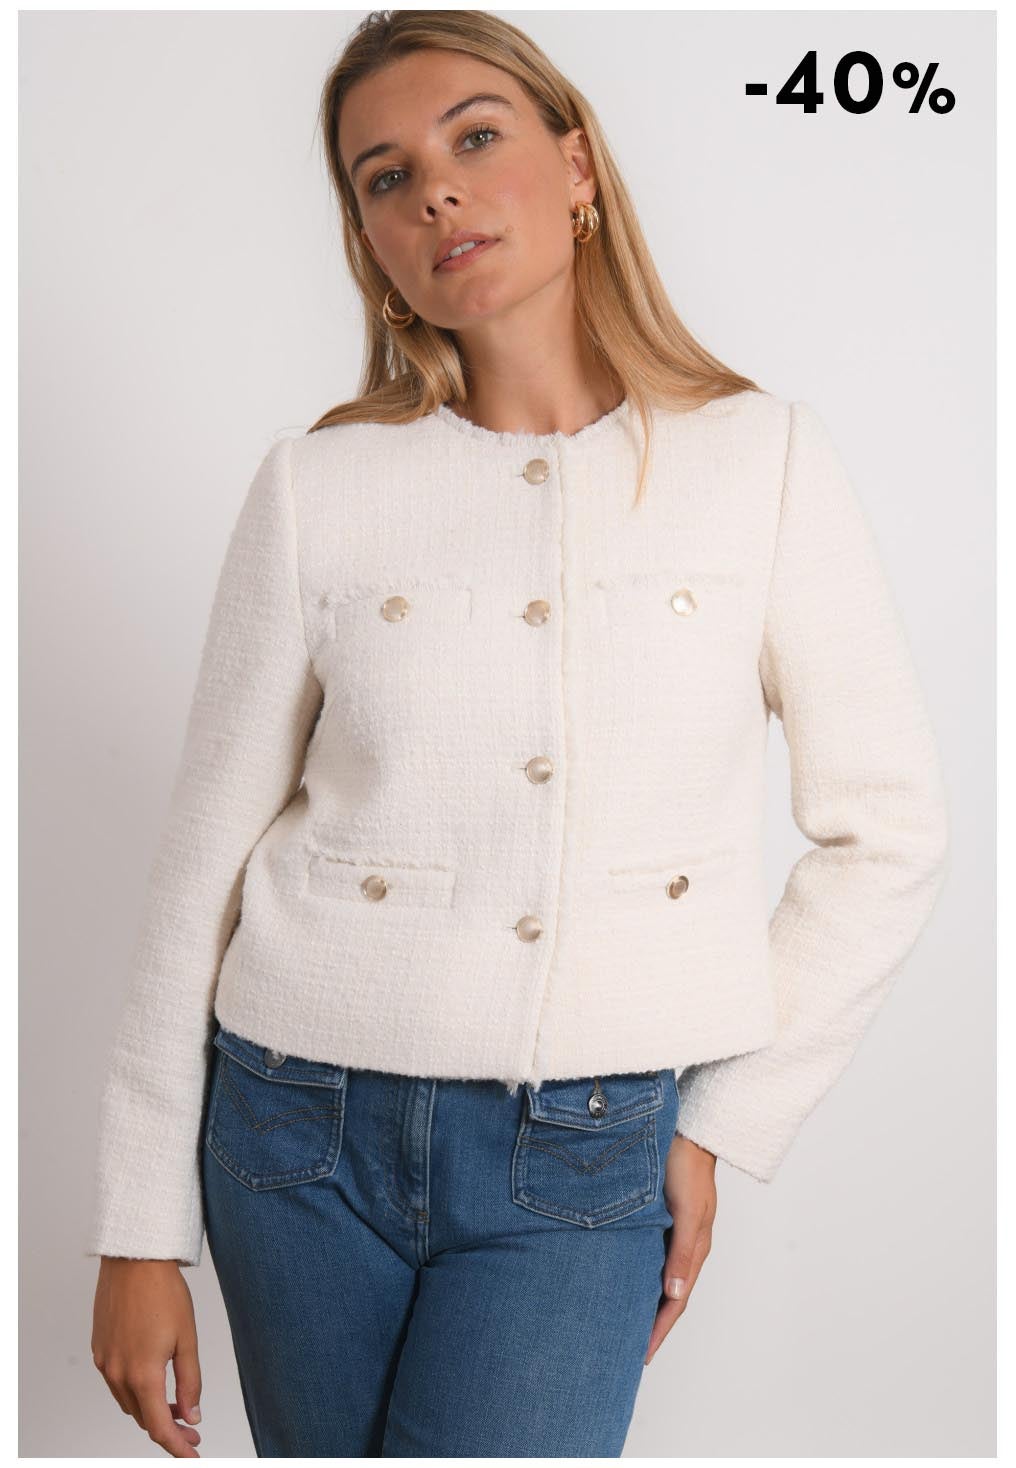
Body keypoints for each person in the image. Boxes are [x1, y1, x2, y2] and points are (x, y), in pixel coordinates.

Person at [87, 9, 950, 1459]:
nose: (435, 190)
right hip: (292, 1132)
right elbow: (201, 868)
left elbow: (890, 833)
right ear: (370, 240)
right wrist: (136, 1227)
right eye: (385, 176)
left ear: (578, 166)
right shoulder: (318, 486)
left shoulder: (763, 462)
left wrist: (724, 1121)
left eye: (475, 138)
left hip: (587, 1149)